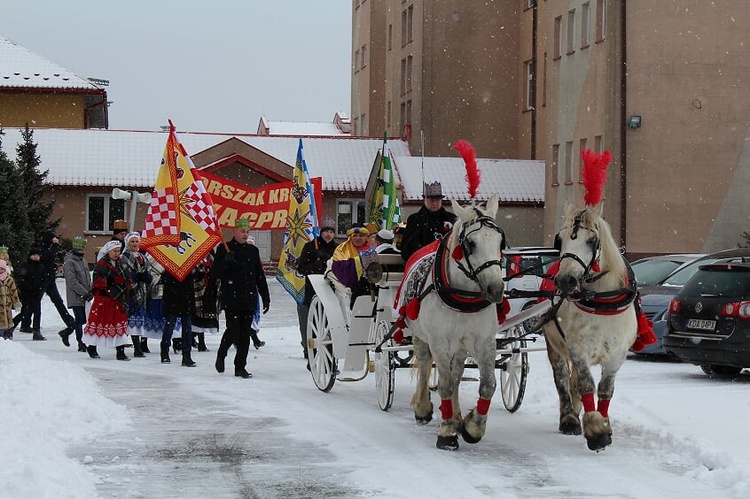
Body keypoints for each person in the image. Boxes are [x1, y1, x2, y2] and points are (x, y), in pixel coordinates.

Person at [213, 217, 270, 379]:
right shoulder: (224, 249)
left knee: (245, 333)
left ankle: (240, 367)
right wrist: (226, 262)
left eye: (247, 232)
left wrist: (265, 297)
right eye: (242, 231)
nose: (245, 235)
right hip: (231, 296)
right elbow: (216, 273)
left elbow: (259, 275)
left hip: (249, 296)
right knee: (233, 329)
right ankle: (221, 354)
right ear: (234, 231)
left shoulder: (253, 251)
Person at [83, 240, 131, 360]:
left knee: (119, 322)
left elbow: (128, 278)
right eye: (114, 251)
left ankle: (120, 351)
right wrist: (107, 282)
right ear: (108, 252)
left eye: (118, 251)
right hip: (104, 299)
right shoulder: (102, 264)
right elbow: (96, 281)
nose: (116, 253)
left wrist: (124, 283)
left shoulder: (122, 263)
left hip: (118, 298)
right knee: (100, 321)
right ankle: (92, 347)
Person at [296, 217, 337, 358]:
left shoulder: (337, 248)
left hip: (331, 291)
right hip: (313, 291)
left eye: (331, 232)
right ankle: (310, 349)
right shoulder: (310, 246)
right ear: (321, 232)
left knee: (328, 324)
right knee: (312, 322)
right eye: (326, 231)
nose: (328, 235)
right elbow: (301, 269)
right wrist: (314, 266)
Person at [400, 181, 457, 263]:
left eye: (437, 200)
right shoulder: (414, 220)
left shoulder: (452, 219)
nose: (434, 203)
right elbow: (407, 247)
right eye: (431, 200)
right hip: (421, 262)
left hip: (446, 263)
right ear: (425, 200)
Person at [38, 231, 77, 337]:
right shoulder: (42, 249)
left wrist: (55, 266)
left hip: (49, 280)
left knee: (58, 301)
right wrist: (55, 245)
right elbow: (47, 257)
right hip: (42, 280)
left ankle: (69, 320)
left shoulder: (46, 249)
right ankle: (26, 324)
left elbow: (48, 261)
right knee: (35, 304)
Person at [121, 232, 152, 358]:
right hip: (131, 290)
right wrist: (136, 276)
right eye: (132, 242)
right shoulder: (124, 257)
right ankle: (134, 346)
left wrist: (147, 277)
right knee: (131, 318)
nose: (134, 244)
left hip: (142, 290)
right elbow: (124, 273)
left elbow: (148, 270)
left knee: (139, 319)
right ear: (128, 243)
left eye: (136, 241)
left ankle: (139, 345)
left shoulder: (143, 257)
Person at [330, 224, 377, 309]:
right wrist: (357, 263)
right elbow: (339, 267)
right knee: (362, 286)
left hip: (371, 280)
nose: (357, 238)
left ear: (365, 237)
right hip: (353, 281)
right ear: (350, 237)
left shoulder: (371, 250)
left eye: (361, 236)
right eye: (354, 236)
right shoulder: (342, 249)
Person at [62, 236, 93, 351]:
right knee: (80, 319)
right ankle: (81, 342)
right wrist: (84, 292)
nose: (83, 251)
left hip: (85, 295)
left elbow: (87, 277)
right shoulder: (70, 262)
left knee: (83, 319)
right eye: (81, 249)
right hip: (76, 295)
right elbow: (72, 281)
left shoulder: (83, 261)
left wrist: (90, 290)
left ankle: (67, 331)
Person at [161, 269, 196, 367]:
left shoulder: (189, 263)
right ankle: (165, 351)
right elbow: (166, 279)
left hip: (186, 297)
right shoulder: (171, 265)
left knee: (187, 328)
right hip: (173, 298)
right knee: (170, 326)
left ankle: (186, 355)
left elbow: (194, 277)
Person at [15, 247, 46, 340]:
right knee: (23, 312)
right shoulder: (26, 266)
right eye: (34, 255)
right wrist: (29, 289)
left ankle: (37, 331)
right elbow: (22, 279)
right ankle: (11, 327)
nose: (36, 257)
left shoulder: (41, 267)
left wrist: (40, 289)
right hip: (26, 294)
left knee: (37, 312)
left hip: (36, 294)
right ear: (30, 256)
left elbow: (44, 279)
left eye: (38, 255)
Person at [191, 249, 219, 352]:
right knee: (198, 316)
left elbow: (216, 271)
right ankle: (199, 341)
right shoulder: (195, 259)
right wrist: (199, 274)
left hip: (209, 290)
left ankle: (197, 340)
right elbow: (193, 275)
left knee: (205, 316)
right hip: (198, 290)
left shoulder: (211, 258)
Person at [0, 259, 22, 340]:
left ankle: (6, 336)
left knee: (7, 322)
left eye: (2, 269)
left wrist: (16, 303)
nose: (0, 271)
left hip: (7, 307)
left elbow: (14, 293)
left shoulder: (9, 279)